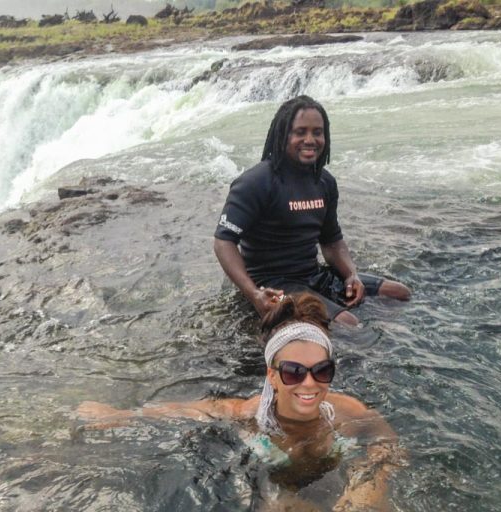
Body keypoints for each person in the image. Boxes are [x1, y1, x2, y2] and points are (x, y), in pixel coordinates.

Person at [77, 293, 404, 511]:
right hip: (280, 486)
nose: (309, 383)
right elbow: (189, 410)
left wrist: (371, 477)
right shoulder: (249, 415)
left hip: (333, 478)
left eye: (322, 370)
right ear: (272, 376)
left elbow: (387, 443)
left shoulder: (348, 411)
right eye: (293, 372)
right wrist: (122, 414)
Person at [213, 95, 410, 325]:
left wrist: (351, 275)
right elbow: (223, 241)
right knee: (349, 323)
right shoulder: (255, 182)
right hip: (272, 284)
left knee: (399, 293)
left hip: (313, 275)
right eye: (300, 132)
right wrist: (254, 294)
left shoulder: (324, 182)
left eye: (317, 132)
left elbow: (332, 241)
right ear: (283, 135)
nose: (310, 139)